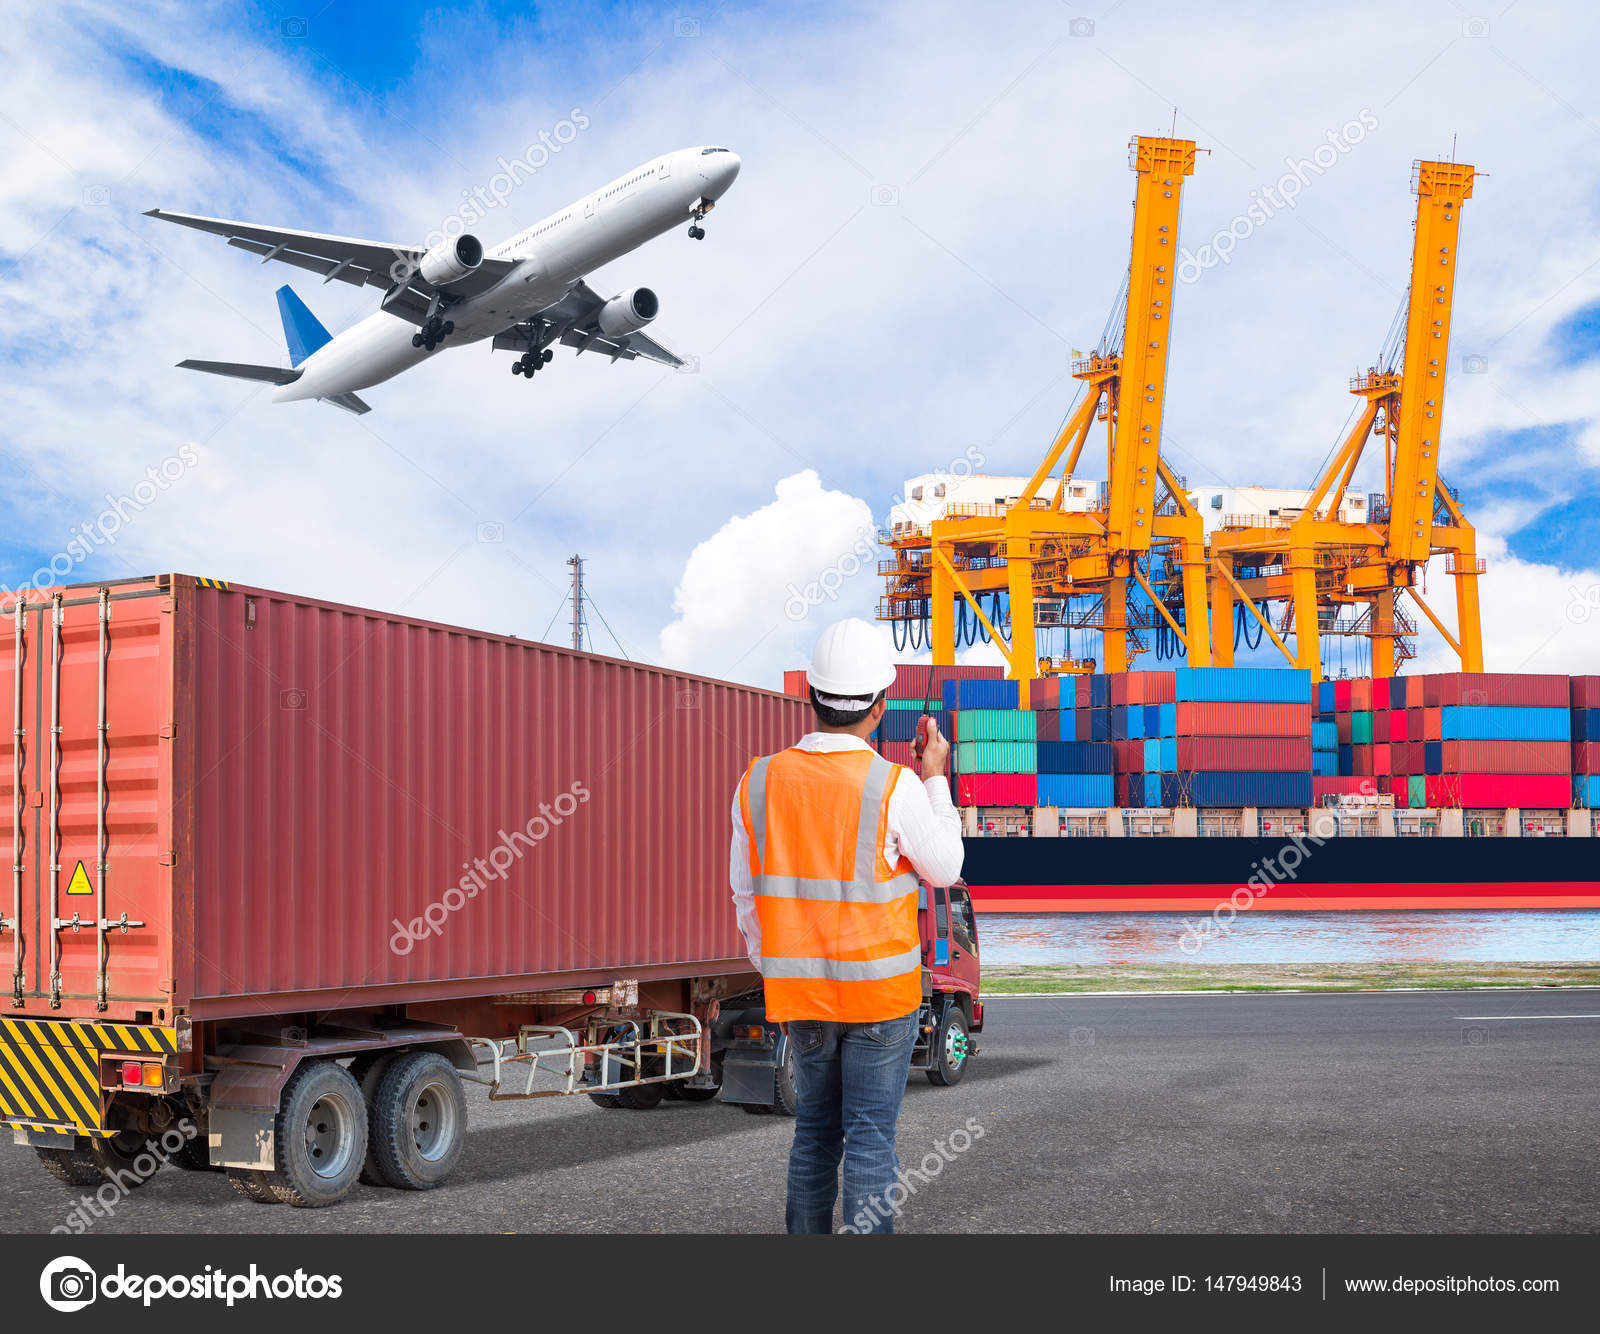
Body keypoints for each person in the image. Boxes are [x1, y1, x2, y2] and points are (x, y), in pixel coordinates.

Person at [730, 618, 964, 1234]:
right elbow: (945, 869)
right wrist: (936, 775)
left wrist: (775, 964)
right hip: (880, 1002)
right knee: (868, 1142)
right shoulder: (897, 785)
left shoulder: (757, 781)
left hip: (801, 997)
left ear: (810, 693)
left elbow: (745, 894)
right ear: (882, 705)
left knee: (813, 1135)